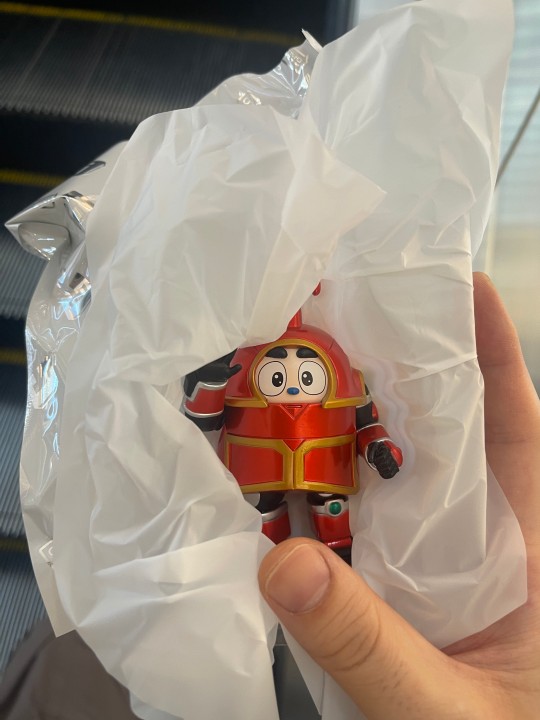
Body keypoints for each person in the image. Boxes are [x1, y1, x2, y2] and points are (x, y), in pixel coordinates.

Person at [258, 272, 540, 719]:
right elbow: (208, 414)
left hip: (325, 468)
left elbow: (365, 420)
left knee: (331, 511)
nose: (293, 389)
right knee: (264, 513)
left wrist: (378, 448)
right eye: (282, 378)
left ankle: (336, 556)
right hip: (262, 468)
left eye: (303, 376)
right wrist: (211, 384)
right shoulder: (253, 372)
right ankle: (267, 563)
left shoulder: (343, 374)